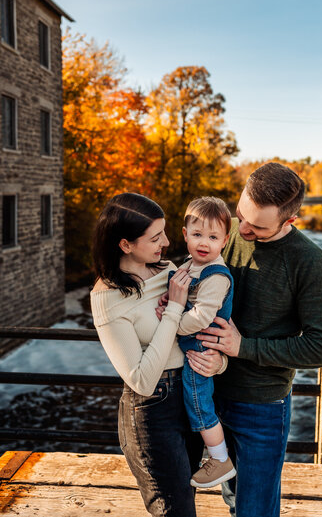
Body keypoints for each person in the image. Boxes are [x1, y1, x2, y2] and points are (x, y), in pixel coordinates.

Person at [196, 162, 322, 517]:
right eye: (240, 214)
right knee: (228, 501)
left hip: (261, 407)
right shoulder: (224, 230)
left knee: (254, 510)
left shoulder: (309, 261)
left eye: (257, 226)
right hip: (206, 395)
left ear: (288, 221)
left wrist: (241, 346)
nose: (241, 229)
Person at [90, 192, 225, 517]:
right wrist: (175, 308)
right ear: (125, 245)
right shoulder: (107, 297)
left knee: (188, 502)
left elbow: (197, 328)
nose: (166, 241)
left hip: (191, 395)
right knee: (175, 511)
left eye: (164, 231)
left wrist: (219, 362)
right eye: (155, 237)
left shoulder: (166, 267)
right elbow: (141, 379)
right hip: (152, 412)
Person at [161, 197, 236, 488]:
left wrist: (172, 324)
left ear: (225, 241)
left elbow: (203, 316)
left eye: (213, 237)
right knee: (194, 402)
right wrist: (169, 300)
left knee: (198, 402)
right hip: (191, 345)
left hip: (201, 349)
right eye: (197, 235)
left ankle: (220, 459)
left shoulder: (216, 275)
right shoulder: (189, 265)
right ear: (185, 234)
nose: (204, 242)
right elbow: (180, 295)